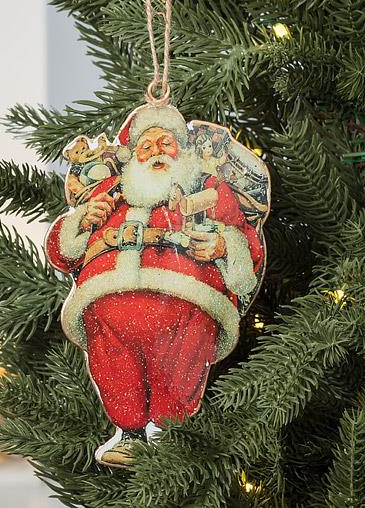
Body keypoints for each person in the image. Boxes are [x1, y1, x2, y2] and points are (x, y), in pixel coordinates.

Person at [45, 105, 263, 467]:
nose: (157, 151)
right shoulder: (112, 192)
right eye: (146, 146)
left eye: (166, 143)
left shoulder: (208, 189)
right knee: (114, 358)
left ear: (183, 150)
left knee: (183, 358)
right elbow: (61, 253)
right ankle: (128, 433)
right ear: (133, 155)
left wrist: (224, 246)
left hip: (187, 298)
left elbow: (247, 245)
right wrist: (82, 222)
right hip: (107, 296)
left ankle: (168, 431)